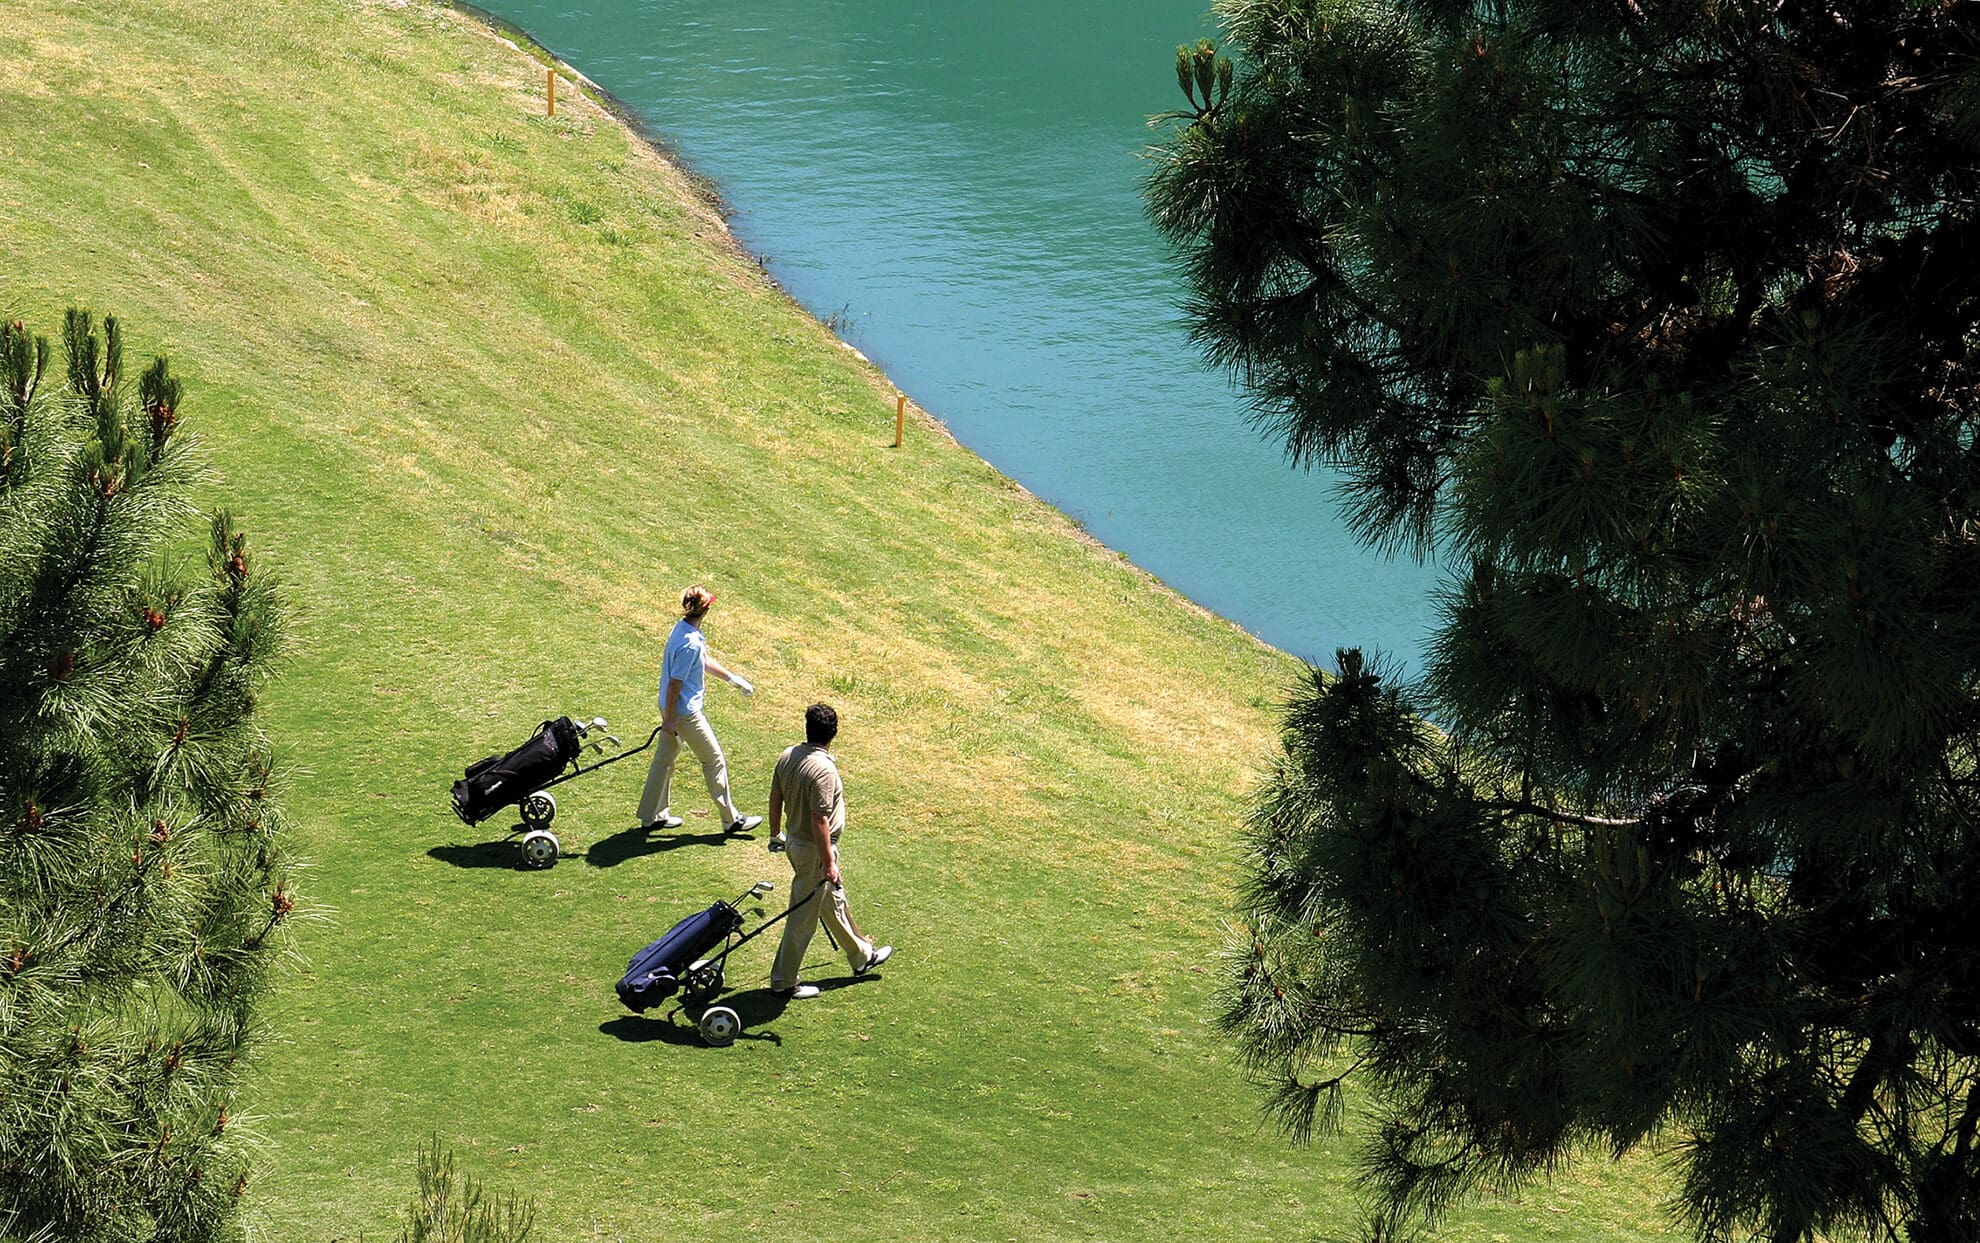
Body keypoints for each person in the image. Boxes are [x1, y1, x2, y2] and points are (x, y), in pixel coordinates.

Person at [766, 703, 893, 999]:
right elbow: (819, 818)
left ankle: (861, 956)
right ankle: (783, 981)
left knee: (832, 901)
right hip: (815, 852)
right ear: (833, 733)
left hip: (797, 845)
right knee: (802, 918)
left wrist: (775, 833)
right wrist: (828, 862)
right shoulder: (824, 770)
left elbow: (776, 796)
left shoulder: (788, 755)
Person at [635, 584, 765, 836]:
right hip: (684, 714)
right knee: (713, 759)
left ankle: (652, 816)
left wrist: (732, 679)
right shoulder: (690, 643)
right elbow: (675, 683)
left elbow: (703, 660)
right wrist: (670, 721)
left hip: (672, 709)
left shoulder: (683, 630)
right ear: (706, 609)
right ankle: (731, 819)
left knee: (663, 761)